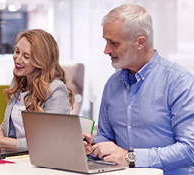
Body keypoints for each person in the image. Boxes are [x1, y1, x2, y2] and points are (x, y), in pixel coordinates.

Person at [83, 4, 194, 174]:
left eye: (114, 43)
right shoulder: (112, 84)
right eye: (106, 41)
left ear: (140, 42)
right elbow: (107, 137)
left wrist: (130, 157)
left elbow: (190, 149)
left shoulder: (179, 81)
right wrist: (93, 146)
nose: (106, 50)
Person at [0, 29, 74, 150]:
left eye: (26, 56)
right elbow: (12, 128)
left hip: (43, 160)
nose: (17, 59)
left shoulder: (56, 89)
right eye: (17, 51)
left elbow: (49, 140)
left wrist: (3, 141)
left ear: (41, 61)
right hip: (17, 157)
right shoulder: (18, 82)